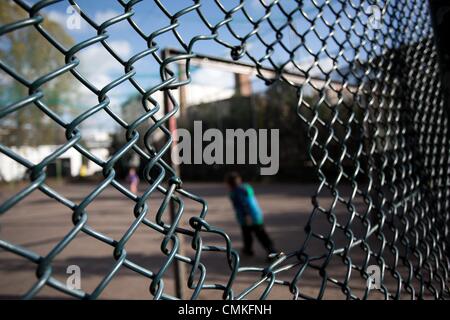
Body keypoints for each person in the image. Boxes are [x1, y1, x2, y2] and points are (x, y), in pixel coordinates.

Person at [225, 171, 276, 258]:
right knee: (248, 234)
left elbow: (244, 204)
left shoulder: (236, 192)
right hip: (255, 214)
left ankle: (272, 252)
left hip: (249, 217)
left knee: (260, 234)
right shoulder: (246, 187)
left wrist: (247, 216)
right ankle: (248, 249)